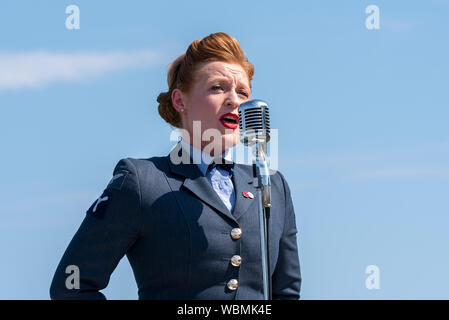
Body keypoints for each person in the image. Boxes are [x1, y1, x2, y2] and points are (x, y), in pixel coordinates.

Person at [49, 32, 301, 300]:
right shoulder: (143, 181)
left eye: (242, 92)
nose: (234, 100)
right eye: (217, 87)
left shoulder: (273, 186)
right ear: (180, 101)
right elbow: (71, 284)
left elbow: (286, 292)